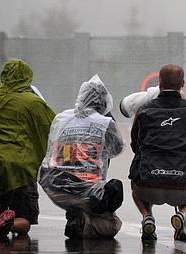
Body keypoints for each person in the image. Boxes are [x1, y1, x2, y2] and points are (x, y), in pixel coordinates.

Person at [0, 59, 55, 237]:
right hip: (20, 168)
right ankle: (6, 223)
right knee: (25, 220)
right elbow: (53, 128)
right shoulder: (33, 103)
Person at [127, 64, 186, 242]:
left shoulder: (144, 110)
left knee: (136, 186)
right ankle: (183, 214)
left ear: (159, 83)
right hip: (183, 187)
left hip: (148, 187)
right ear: (183, 83)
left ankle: (147, 216)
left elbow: (135, 144)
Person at [38, 74, 125, 239]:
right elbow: (117, 148)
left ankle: (79, 215)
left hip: (53, 186)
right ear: (105, 103)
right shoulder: (105, 122)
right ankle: (83, 220)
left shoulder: (61, 117)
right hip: (87, 192)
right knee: (113, 223)